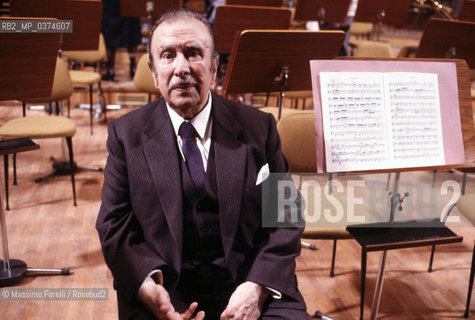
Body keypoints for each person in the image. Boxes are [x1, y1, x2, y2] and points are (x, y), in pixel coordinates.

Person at [96, 9, 311, 320]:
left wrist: (256, 288)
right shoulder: (125, 135)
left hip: (250, 283)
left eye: (193, 53)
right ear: (154, 72)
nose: (181, 68)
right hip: (165, 291)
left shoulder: (258, 128)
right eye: (168, 55)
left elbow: (286, 214)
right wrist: (147, 287)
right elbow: (113, 226)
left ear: (214, 68)